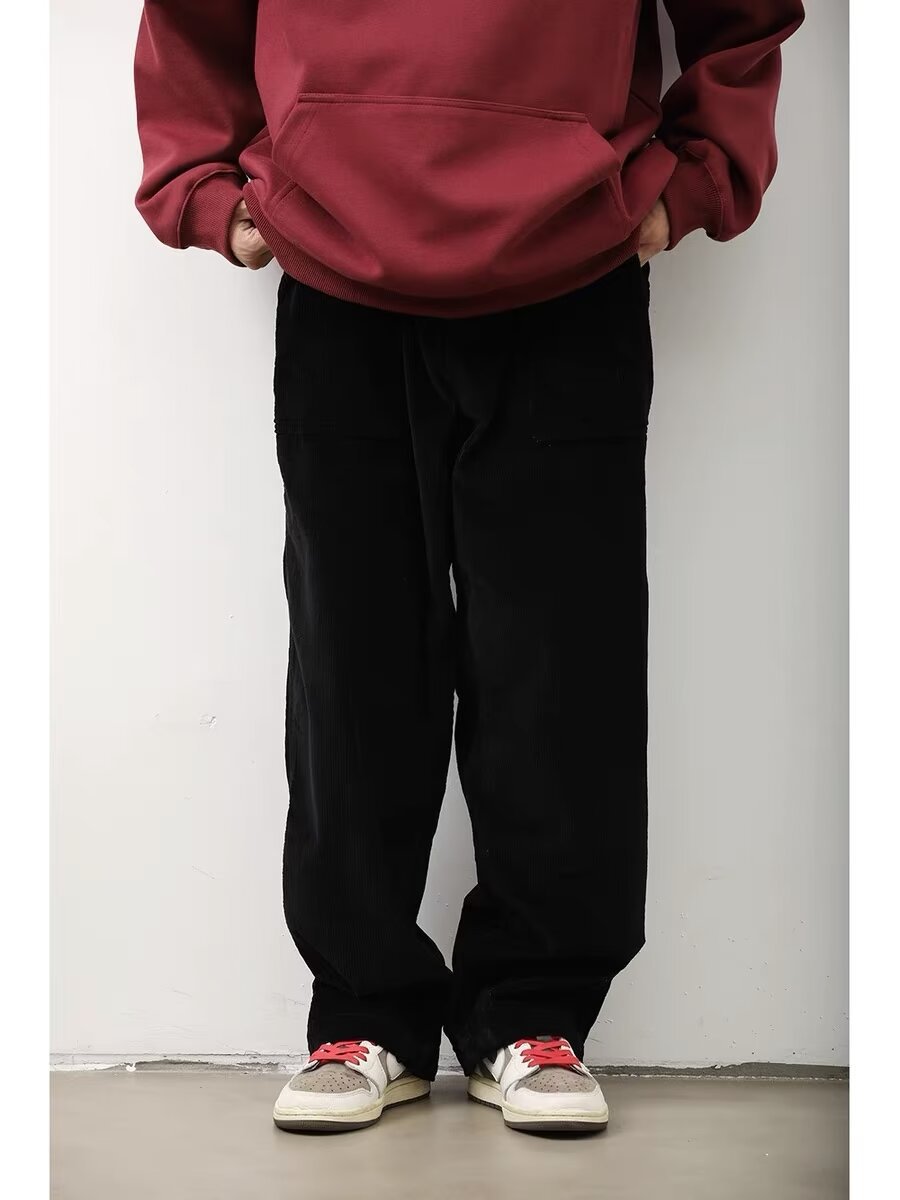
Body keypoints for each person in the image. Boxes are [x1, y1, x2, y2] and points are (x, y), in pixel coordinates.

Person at [134, 0, 804, 1136]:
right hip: (337, 267)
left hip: (571, 266)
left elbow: (744, 15)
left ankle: (534, 1016)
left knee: (561, 665)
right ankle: (365, 1017)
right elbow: (192, 14)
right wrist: (205, 189)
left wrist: (697, 178)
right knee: (355, 664)